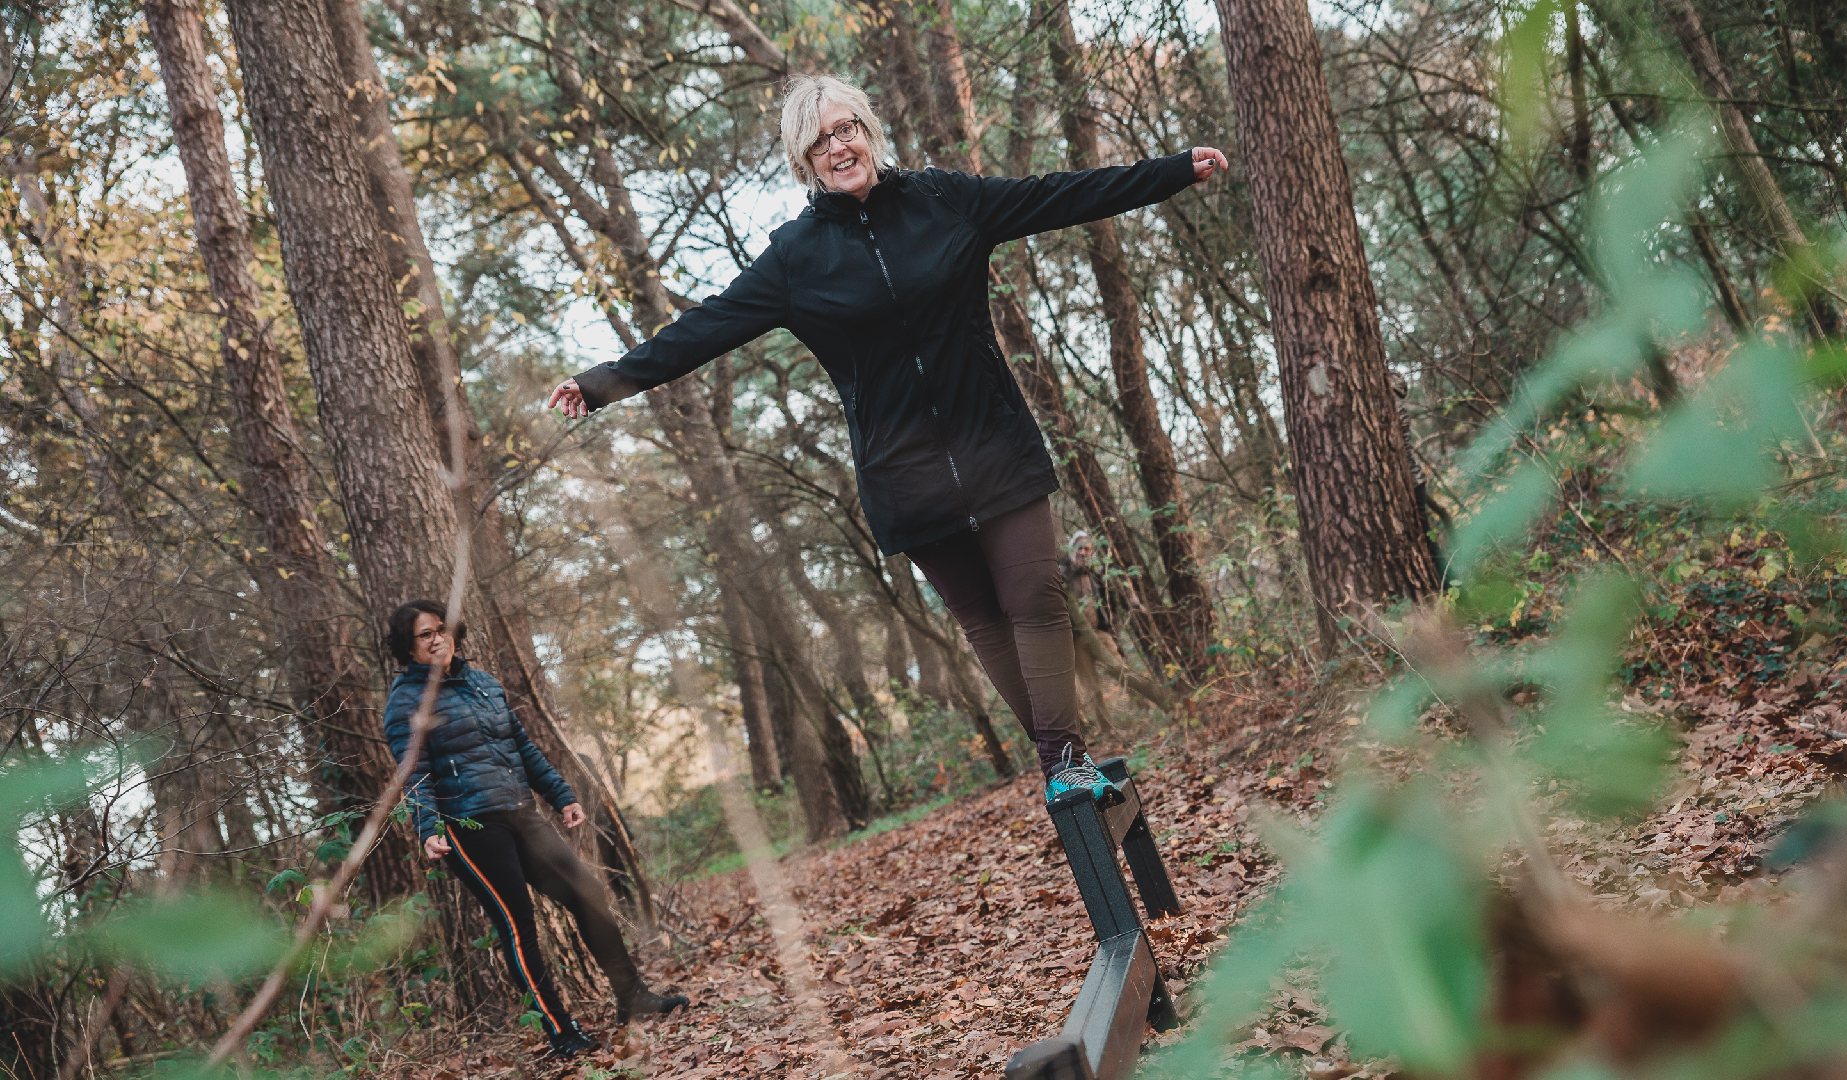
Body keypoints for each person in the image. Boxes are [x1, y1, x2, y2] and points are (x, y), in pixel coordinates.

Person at [548, 74, 1227, 802]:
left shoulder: (946, 200)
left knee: (1036, 593)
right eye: (820, 141)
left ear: (869, 131)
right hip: (905, 473)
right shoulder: (794, 259)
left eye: (847, 130)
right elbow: (703, 328)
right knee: (981, 618)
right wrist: (600, 383)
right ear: (804, 162)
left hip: (992, 439)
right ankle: (1063, 760)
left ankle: (1064, 761)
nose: (839, 146)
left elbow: (1058, 194)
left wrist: (1172, 171)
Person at [382, 599, 688, 1058]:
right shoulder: (406, 700)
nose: (437, 638)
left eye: (441, 629)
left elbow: (522, 746)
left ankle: (633, 996)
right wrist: (427, 828)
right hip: (470, 827)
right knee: (518, 926)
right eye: (425, 634)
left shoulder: (482, 683)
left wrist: (561, 795)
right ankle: (561, 1032)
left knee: (588, 892)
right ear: (408, 647)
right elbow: (414, 772)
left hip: (522, 812)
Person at [1059, 531, 1121, 737]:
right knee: (1092, 689)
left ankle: (1149, 711)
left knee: (1122, 670)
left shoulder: (1098, 573)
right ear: (1072, 550)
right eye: (1079, 548)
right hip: (1077, 642)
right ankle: (1109, 731)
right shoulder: (1062, 576)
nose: (1083, 552)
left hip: (1101, 634)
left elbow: (1111, 604)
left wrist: (1112, 628)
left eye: (1087, 548)